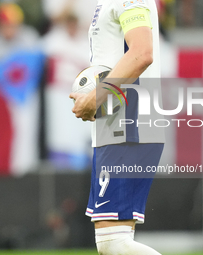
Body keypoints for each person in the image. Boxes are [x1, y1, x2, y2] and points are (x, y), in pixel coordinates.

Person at [69, 0, 165, 254]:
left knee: (114, 243)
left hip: (129, 123)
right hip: (117, 123)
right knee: (113, 242)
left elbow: (142, 53)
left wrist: (96, 96)